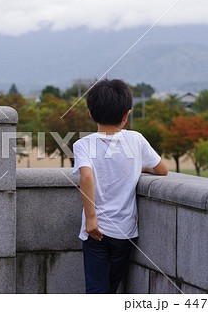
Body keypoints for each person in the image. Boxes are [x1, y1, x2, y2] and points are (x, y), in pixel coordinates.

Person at [72, 78, 168, 294]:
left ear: (90, 113)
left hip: (96, 233)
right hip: (125, 233)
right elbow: (162, 170)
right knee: (112, 288)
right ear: (126, 115)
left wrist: (91, 218)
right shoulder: (136, 139)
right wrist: (137, 167)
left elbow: (86, 178)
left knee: (97, 290)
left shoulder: (83, 144)